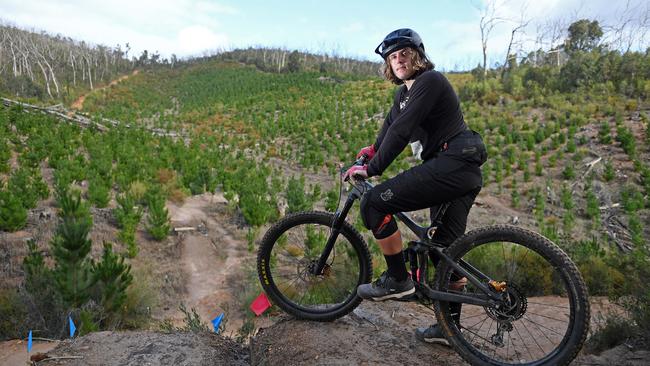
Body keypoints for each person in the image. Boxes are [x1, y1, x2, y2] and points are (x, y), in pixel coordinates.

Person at [343, 28, 487, 345]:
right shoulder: (403, 95)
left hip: (453, 161)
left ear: (418, 55)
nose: (398, 60)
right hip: (460, 169)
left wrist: (372, 170)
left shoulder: (429, 81)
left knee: (375, 203)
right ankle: (450, 331)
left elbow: (403, 129)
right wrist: (369, 153)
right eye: (392, 57)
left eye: (404, 53)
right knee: (445, 250)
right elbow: (390, 130)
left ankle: (397, 278)